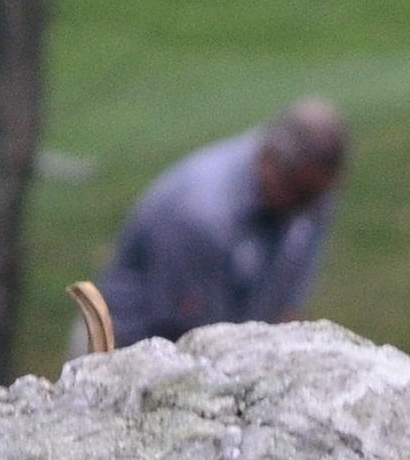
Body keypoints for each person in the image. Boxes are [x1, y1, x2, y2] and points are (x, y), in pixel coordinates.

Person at [93, 98, 349, 344]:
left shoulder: (311, 193)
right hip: (124, 352)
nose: (310, 208)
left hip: (230, 343)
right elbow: (196, 340)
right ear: (270, 159)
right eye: (301, 194)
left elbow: (288, 304)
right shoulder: (199, 216)